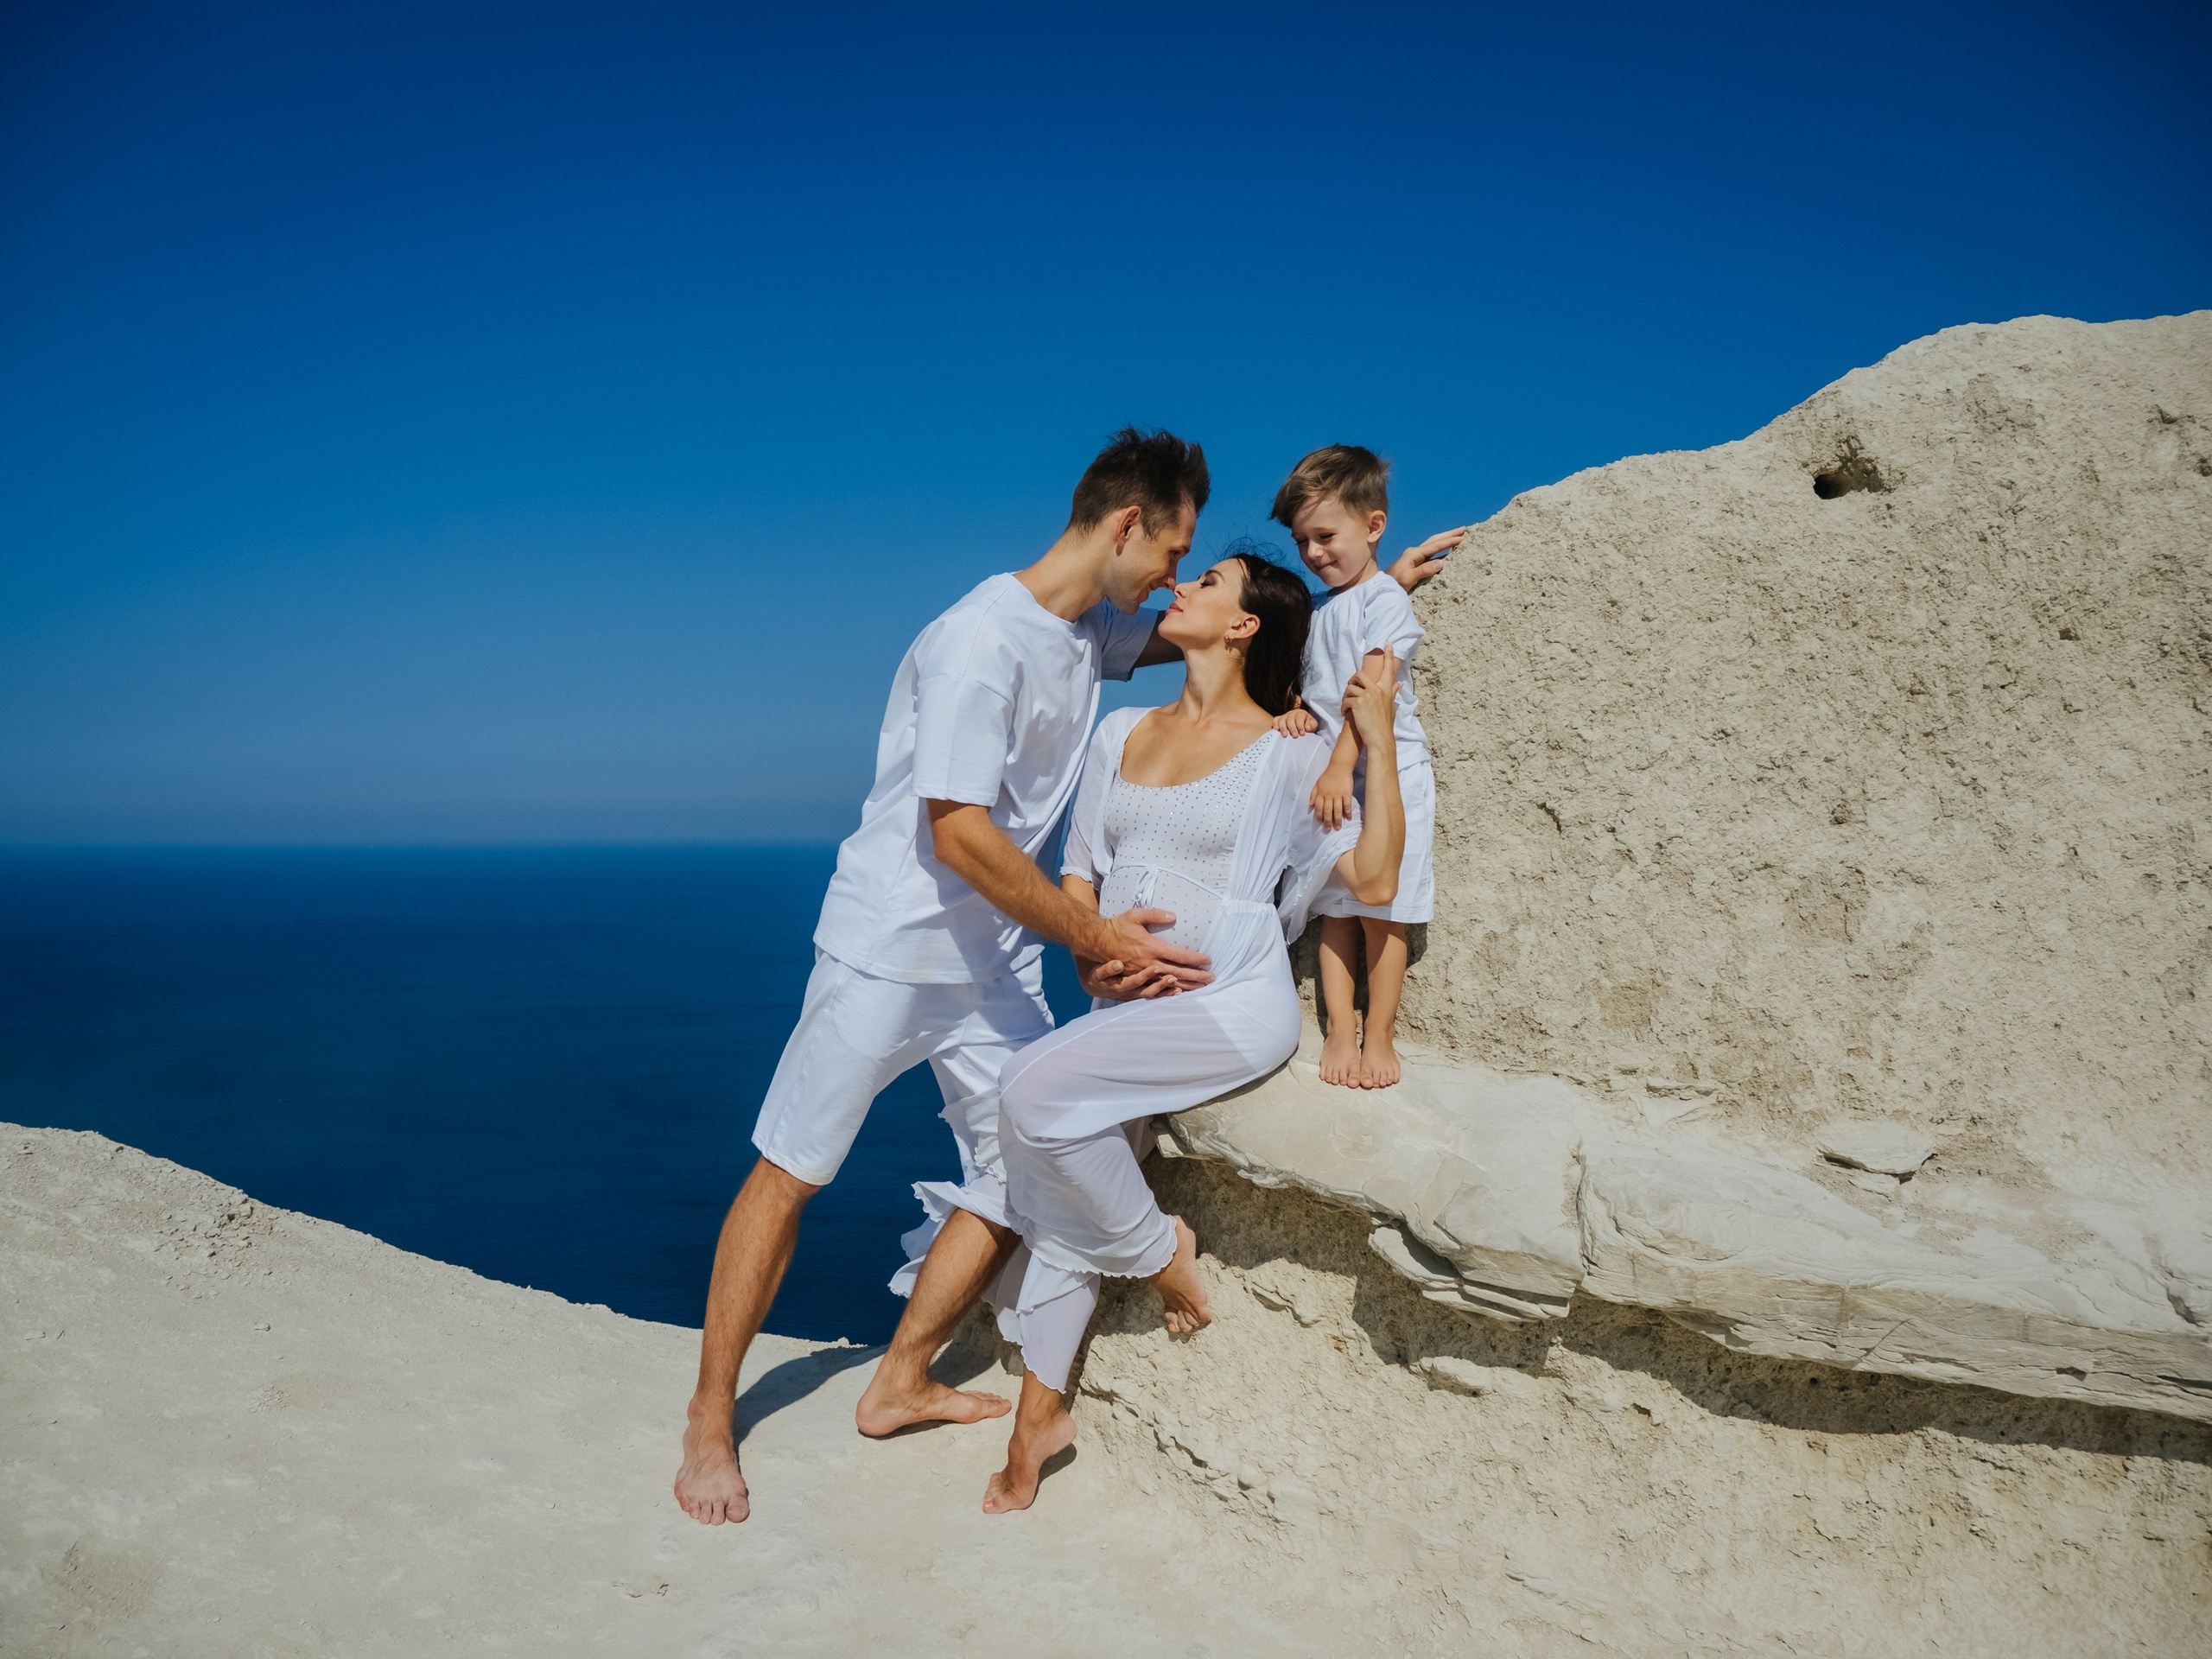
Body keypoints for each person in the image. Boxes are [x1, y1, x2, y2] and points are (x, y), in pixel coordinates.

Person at [672, 427, 1216, 1525]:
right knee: (794, 1168)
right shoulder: (982, 640)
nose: (1174, 580)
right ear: (1124, 525)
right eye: (1172, 552)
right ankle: (708, 1421)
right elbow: (959, 832)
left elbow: (1179, 642)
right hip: (892, 947)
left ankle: (899, 1382)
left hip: (994, 959)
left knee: (1030, 1160)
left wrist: (1346, 609)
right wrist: (1098, 936)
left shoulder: (1085, 631)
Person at [940, 549, 1409, 1513]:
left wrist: (1380, 737)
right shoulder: (1119, 732)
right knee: (1074, 1162)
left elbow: (1372, 880)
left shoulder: (1291, 747)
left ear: (1244, 626)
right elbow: (1080, 877)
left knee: (1029, 1093)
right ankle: (1040, 1416)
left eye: (1208, 584)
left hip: (1229, 1009)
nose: (1180, 588)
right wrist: (1087, 957)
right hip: (1124, 1007)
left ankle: (1162, 1253)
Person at [1271, 444, 1462, 1089]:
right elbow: (1322, 684)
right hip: (1332, 779)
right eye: (1303, 542)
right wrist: (1297, 712)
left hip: (1387, 773)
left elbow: (1370, 691)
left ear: (1374, 526)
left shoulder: (1384, 601)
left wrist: (1335, 766)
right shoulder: (1327, 609)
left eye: (1326, 536)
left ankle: (1378, 1033)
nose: (1314, 553)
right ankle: (1338, 1031)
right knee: (1338, 910)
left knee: (1386, 914)